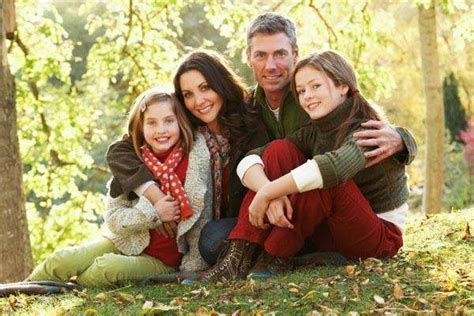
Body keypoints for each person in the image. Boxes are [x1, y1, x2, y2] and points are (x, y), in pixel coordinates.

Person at [198, 12, 417, 265]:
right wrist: (267, 193)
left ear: (294, 54)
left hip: (349, 213)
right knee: (212, 239)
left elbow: (341, 156)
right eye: (261, 55)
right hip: (290, 208)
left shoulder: (330, 105)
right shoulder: (247, 108)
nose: (271, 66)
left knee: (325, 179)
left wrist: (403, 140)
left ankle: (276, 255)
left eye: (279, 54)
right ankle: (259, 255)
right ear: (248, 58)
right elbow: (252, 157)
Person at [27, 88, 213, 287]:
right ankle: (20, 290)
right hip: (124, 242)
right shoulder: (131, 163)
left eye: (168, 121)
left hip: (163, 261)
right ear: (140, 127)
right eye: (151, 122)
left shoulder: (194, 161)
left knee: (105, 268)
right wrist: (153, 214)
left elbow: (203, 217)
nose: (161, 130)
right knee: (63, 259)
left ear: (180, 122)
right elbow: (114, 220)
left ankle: (69, 288)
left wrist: (191, 268)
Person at [106, 50, 270, 266]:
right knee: (210, 239)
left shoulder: (249, 123)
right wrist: (157, 200)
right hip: (191, 230)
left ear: (220, 85)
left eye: (205, 88)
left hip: (240, 218)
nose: (198, 101)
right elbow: (119, 151)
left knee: (211, 238)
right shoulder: (186, 128)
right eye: (188, 94)